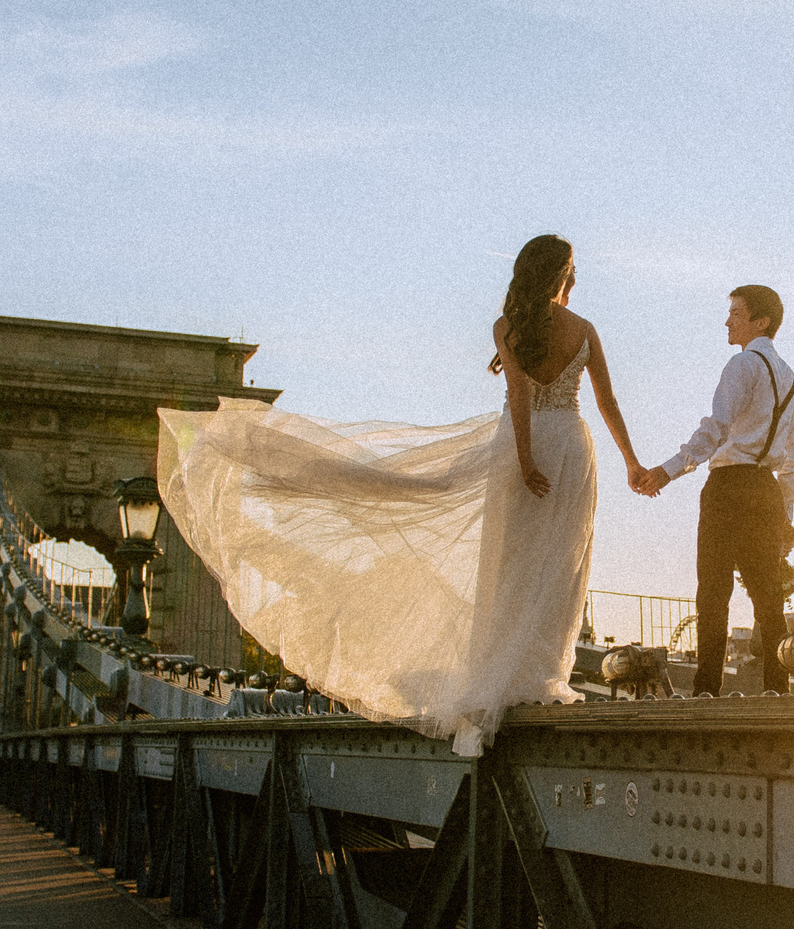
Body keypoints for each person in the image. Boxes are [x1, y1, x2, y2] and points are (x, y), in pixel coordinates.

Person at [156, 234, 654, 755]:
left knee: (508, 560)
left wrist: (525, 458)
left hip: (525, 445)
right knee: (559, 564)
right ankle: (543, 679)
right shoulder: (585, 330)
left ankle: (506, 682)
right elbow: (606, 400)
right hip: (574, 447)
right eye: (570, 270)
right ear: (558, 275)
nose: (573, 280)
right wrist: (632, 462)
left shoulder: (508, 326)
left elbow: (518, 395)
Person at [635, 285, 794, 695]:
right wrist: (786, 518)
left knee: (713, 592)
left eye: (736, 313)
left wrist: (667, 471)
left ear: (760, 321)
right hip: (765, 492)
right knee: (768, 599)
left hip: (728, 486)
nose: (728, 320)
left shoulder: (741, 365)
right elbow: (791, 462)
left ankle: (706, 689)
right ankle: (777, 690)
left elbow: (715, 429)